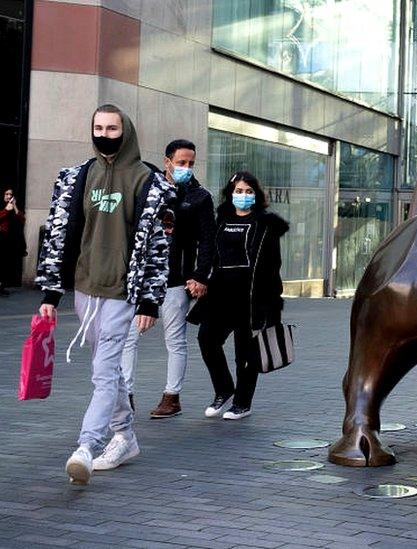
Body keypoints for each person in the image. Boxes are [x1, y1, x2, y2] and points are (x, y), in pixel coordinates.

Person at [36, 104, 173, 485]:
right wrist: (50, 293)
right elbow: (59, 235)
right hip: (85, 288)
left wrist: (150, 300)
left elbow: (160, 247)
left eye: (112, 128)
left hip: (121, 293)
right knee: (106, 370)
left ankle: (86, 447)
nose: (104, 134)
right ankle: (125, 436)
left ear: (125, 131)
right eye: (98, 127)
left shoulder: (148, 181)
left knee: (103, 372)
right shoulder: (78, 176)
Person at [120, 139, 216, 419]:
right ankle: (125, 394)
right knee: (127, 336)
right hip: (141, 278)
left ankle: (171, 396)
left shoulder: (199, 197)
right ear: (167, 161)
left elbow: (208, 241)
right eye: (181, 162)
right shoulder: (149, 190)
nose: (186, 168)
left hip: (176, 279)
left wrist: (199, 275)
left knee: (174, 339)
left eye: (191, 164)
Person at [190, 171, 288, 420]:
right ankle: (224, 389)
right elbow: (209, 254)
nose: (242, 196)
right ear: (230, 194)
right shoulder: (221, 219)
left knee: (245, 353)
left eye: (248, 191)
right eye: (238, 191)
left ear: (256, 195)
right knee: (207, 340)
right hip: (219, 295)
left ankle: (243, 402)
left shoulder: (266, 225)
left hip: (251, 298)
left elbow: (272, 267)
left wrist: (273, 306)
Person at [0, 188, 26, 296]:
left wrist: (15, 206)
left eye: (10, 194)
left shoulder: (12, 205)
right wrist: (6, 210)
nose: (8, 196)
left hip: (9, 238)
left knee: (5, 263)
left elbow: (22, 220)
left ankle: (1, 285)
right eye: (6, 194)